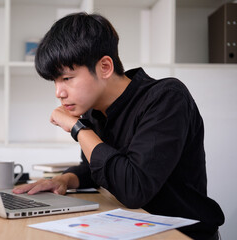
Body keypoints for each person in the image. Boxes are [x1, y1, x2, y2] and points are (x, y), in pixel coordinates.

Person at [12, 12, 224, 239]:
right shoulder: (94, 110)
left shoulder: (166, 98)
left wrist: (77, 128)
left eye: (67, 78)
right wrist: (63, 180)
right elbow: (96, 169)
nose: (58, 92)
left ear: (104, 67)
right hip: (134, 226)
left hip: (182, 233)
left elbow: (134, 189)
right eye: (54, 81)